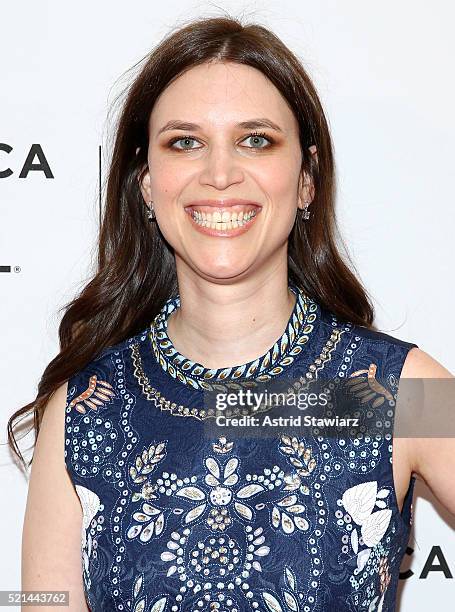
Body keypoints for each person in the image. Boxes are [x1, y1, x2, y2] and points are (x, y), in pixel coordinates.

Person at [10, 15, 454, 612]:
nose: (220, 175)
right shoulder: (85, 411)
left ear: (306, 181)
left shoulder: (393, 391)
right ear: (146, 182)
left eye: (256, 140)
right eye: (185, 142)